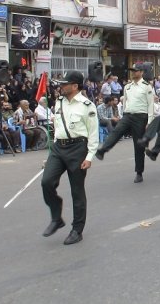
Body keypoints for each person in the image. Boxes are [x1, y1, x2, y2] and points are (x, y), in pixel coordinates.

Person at [40, 71, 99, 245]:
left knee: (77, 191)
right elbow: (58, 128)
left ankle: (77, 229)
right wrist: (50, 154)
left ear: (75, 86)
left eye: (65, 84)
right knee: (46, 182)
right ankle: (56, 217)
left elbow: (93, 134)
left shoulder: (87, 106)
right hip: (59, 148)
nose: (61, 86)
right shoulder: (59, 102)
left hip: (78, 148)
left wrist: (89, 156)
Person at [95, 64, 154, 183]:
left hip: (140, 117)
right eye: (132, 70)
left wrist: (149, 121)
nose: (133, 73)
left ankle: (139, 172)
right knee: (117, 131)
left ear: (141, 72)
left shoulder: (147, 87)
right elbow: (125, 103)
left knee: (138, 146)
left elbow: (151, 105)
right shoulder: (127, 87)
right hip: (128, 115)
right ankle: (102, 150)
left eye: (136, 71)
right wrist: (123, 114)